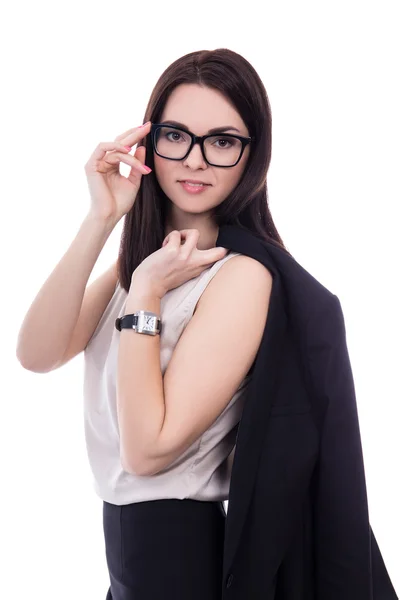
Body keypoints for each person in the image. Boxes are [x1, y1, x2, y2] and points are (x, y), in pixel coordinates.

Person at [16, 48, 284, 599]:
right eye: (175, 135)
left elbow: (146, 451)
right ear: (148, 143)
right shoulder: (143, 268)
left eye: (223, 141)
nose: (195, 159)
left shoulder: (240, 278)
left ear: (251, 156)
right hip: (126, 563)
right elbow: (36, 354)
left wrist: (147, 293)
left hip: (180, 558)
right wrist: (103, 217)